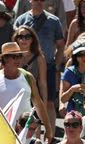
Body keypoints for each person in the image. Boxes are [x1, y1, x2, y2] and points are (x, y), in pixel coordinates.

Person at [0, 42, 54, 143]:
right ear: (5, 58)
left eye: (19, 56)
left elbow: (38, 104)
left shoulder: (28, 77)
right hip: (2, 134)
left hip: (26, 133)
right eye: (14, 57)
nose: (18, 59)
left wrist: (48, 129)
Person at [14, 0, 66, 131]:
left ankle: (51, 135)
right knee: (24, 102)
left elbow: (60, 45)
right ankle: (27, 134)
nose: (38, 2)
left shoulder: (53, 21)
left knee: (48, 103)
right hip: (24, 66)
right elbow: (14, 43)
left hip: (47, 66)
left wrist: (57, 65)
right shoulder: (21, 20)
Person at [13, 26, 49, 126]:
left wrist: (44, 106)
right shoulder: (9, 56)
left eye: (27, 37)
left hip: (32, 99)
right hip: (13, 97)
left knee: (32, 133)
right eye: (20, 36)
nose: (24, 39)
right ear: (16, 39)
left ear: (32, 39)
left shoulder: (39, 58)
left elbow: (42, 83)